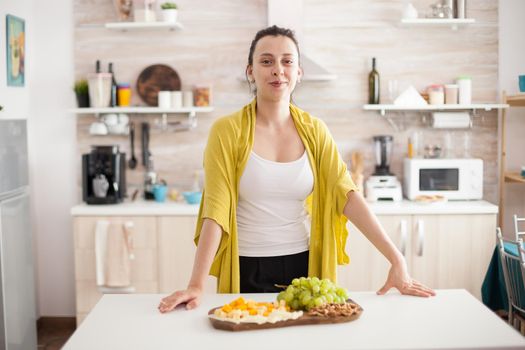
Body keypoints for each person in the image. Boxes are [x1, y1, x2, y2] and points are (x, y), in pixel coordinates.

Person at [158, 25, 435, 313]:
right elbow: (216, 209)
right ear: (250, 71)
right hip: (246, 269)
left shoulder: (315, 131)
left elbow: (347, 195)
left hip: (303, 267)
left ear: (299, 72)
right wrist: (197, 285)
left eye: (287, 61)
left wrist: (397, 260)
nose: (278, 70)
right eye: (266, 61)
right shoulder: (226, 132)